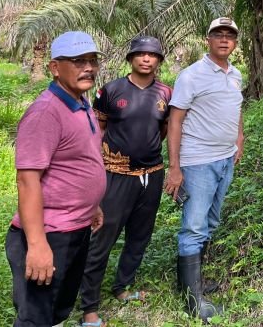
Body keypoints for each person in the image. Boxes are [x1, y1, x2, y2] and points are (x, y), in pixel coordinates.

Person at [5, 31, 106, 327]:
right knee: (35, 317)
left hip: (76, 227)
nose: (88, 68)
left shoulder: (81, 102)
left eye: (92, 60)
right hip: (50, 233)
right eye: (78, 61)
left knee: (59, 309)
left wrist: (93, 205)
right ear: (54, 68)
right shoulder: (46, 112)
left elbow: (79, 161)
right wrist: (37, 245)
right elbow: (27, 181)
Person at [78, 36, 172, 327]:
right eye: (140, 54)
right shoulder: (111, 90)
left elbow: (164, 129)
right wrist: (100, 165)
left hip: (152, 175)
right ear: (130, 58)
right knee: (102, 238)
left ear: (159, 61)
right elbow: (98, 129)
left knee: (140, 236)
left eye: (152, 55)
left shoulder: (166, 93)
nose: (146, 59)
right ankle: (89, 308)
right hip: (115, 175)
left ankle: (122, 287)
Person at [164, 17, 244, 323]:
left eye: (229, 36)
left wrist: (239, 137)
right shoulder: (191, 75)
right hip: (198, 161)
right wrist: (175, 167)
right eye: (218, 35)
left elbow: (236, 108)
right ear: (207, 40)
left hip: (225, 159)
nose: (224, 40)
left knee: (210, 221)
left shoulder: (235, 74)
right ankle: (193, 302)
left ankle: (193, 284)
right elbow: (175, 121)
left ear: (235, 42)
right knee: (194, 227)